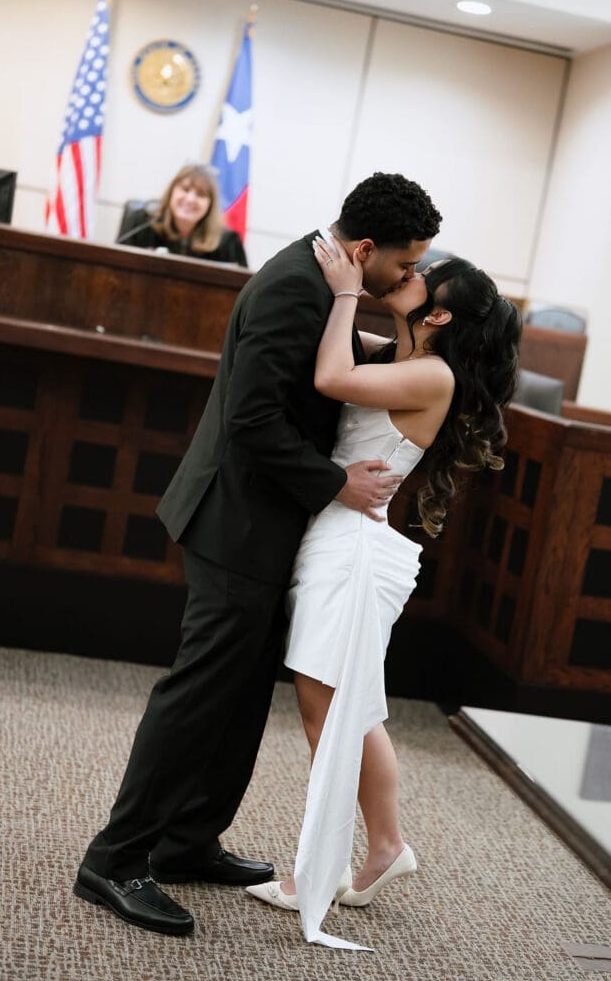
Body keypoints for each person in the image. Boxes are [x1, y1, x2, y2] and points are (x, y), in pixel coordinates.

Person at [73, 172, 442, 936]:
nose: (408, 278)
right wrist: (333, 483)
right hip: (236, 523)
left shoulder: (325, 284)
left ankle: (185, 841)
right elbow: (250, 419)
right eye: (404, 266)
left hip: (270, 527)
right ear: (366, 250)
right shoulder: (291, 288)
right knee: (199, 694)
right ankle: (115, 859)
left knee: (241, 697)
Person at [245, 239, 521, 948]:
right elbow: (331, 349)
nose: (410, 275)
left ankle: (319, 870)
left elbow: (333, 376)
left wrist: (344, 292)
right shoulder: (404, 354)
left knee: (327, 710)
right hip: (340, 539)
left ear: (437, 318)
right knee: (351, 707)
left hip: (353, 552)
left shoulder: (430, 376)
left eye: (425, 278)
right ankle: (385, 847)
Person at [117, 163, 248, 266]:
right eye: (185, 190)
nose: (190, 199)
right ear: (171, 193)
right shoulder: (141, 223)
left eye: (200, 195)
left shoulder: (227, 242)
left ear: (210, 205)